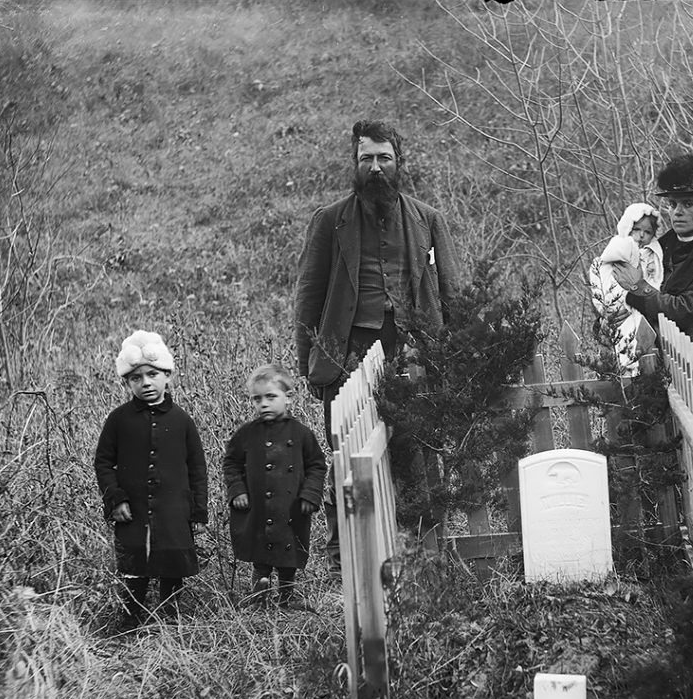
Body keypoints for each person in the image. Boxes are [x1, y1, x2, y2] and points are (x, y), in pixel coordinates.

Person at [294, 119, 460, 570]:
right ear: (355, 164)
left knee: (417, 450)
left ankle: (419, 546)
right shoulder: (330, 222)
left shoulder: (428, 220)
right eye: (366, 158)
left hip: (411, 347)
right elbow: (307, 297)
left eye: (384, 157)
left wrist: (454, 354)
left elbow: (453, 293)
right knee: (348, 454)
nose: (375, 167)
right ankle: (344, 554)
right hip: (347, 350)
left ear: (398, 162)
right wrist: (310, 361)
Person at [94, 330, 208, 630]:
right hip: (132, 511)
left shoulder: (182, 420)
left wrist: (198, 511)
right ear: (127, 382)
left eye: (153, 374)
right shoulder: (118, 420)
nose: (145, 382)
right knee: (134, 566)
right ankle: (130, 621)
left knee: (172, 565)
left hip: (174, 511)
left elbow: (197, 467)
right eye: (136, 378)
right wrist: (115, 498)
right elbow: (103, 461)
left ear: (167, 375)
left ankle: (169, 621)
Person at [222, 364, 327, 606]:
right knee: (261, 552)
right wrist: (237, 490)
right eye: (257, 399)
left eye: (271, 397)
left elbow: (316, 466)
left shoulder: (301, 434)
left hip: (291, 507)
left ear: (288, 398)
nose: (264, 404)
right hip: (258, 506)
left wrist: (310, 495)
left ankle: (286, 597)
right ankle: (259, 597)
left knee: (288, 555)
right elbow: (231, 463)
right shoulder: (246, 434)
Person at [613, 152, 693, 358]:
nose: (677, 212)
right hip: (640, 352)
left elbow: (681, 313)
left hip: (688, 363)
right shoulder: (655, 249)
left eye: (688, 204)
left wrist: (636, 287)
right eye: (673, 204)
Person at [588, 202, 665, 376]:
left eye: (648, 232)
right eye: (637, 229)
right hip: (618, 302)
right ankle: (624, 366)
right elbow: (607, 266)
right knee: (619, 337)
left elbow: (653, 280)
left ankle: (631, 365)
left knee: (636, 337)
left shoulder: (653, 252)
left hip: (641, 310)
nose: (641, 235)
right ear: (628, 227)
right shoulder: (622, 244)